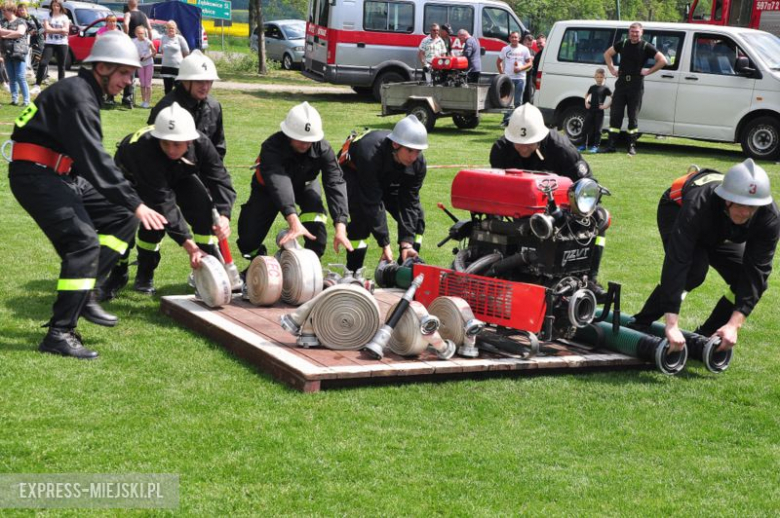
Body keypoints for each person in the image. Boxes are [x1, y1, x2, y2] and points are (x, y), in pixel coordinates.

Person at [8, 31, 166, 359]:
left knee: (120, 217)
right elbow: (95, 159)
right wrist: (136, 202)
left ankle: (88, 289)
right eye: (124, 72)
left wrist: (128, 206)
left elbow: (84, 158)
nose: (128, 80)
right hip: (36, 175)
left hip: (61, 173)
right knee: (83, 244)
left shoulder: (83, 92)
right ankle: (59, 333)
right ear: (103, 67)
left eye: (131, 74)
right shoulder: (79, 97)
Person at [632, 159, 779, 354]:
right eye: (742, 205)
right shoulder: (698, 206)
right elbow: (677, 261)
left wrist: (734, 325)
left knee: (744, 276)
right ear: (728, 198)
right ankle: (640, 322)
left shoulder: (768, 217)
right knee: (694, 271)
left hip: (720, 226)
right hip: (676, 207)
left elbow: (757, 273)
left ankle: (708, 333)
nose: (745, 212)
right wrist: (671, 324)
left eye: (752, 207)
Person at [109, 103, 236, 296]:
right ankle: (122, 273)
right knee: (137, 227)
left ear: (190, 141)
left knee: (203, 210)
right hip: (130, 179)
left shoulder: (202, 144)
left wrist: (225, 215)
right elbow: (162, 202)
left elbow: (220, 179)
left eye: (177, 144)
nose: (171, 149)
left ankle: (208, 272)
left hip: (176, 174)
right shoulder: (145, 150)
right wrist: (189, 246)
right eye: (165, 143)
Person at [490, 104, 608, 292]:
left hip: (561, 210)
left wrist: (573, 211)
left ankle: (589, 277)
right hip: (519, 207)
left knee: (600, 217)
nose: (522, 147)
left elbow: (587, 187)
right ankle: (499, 265)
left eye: (529, 143)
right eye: (518, 142)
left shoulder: (561, 150)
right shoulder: (501, 150)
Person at [236, 102, 351, 271]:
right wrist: (293, 219)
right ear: (288, 133)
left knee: (316, 219)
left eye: (309, 140)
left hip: (305, 186)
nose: (305, 144)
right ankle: (261, 264)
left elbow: (335, 182)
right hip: (267, 190)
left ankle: (309, 268)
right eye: (300, 139)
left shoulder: (323, 149)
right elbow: (279, 183)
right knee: (247, 242)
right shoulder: (271, 147)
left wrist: (341, 225)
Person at [338, 115, 428, 273]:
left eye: (418, 151)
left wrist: (406, 242)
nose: (414, 157)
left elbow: (409, 202)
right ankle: (353, 273)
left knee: (418, 217)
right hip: (356, 173)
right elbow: (373, 202)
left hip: (386, 176)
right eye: (410, 150)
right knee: (362, 218)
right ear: (395, 144)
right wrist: (384, 244)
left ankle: (405, 266)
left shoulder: (418, 164)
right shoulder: (370, 152)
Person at [602, 22, 667, 155]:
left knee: (633, 117)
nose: (634, 34)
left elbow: (662, 60)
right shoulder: (623, 43)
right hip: (621, 84)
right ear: (629, 32)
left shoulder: (645, 46)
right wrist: (611, 69)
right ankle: (611, 145)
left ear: (641, 33)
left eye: (637, 32)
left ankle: (631, 146)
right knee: (615, 115)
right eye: (632, 31)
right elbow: (607, 54)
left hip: (636, 86)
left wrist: (648, 72)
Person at [149, 50, 224, 160]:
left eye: (209, 81)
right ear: (185, 81)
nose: (205, 87)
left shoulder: (214, 106)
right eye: (200, 81)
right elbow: (153, 151)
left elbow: (219, 147)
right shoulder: (165, 109)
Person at [32, 0, 68, 96]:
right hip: (50, 43)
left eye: (57, 6)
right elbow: (47, 29)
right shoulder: (47, 16)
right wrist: (60, 30)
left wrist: (53, 30)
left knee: (61, 66)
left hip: (62, 43)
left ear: (60, 7)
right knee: (43, 63)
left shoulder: (64, 17)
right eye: (54, 5)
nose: (55, 7)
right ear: (51, 6)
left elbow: (67, 31)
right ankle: (37, 86)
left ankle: (61, 87)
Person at [496, 31, 531, 126]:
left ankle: (517, 121)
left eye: (516, 37)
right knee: (507, 100)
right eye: (512, 37)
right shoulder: (505, 49)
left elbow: (529, 63)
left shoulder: (524, 49)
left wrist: (521, 68)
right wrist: (502, 74)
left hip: (520, 78)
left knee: (518, 101)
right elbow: (498, 61)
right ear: (509, 38)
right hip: (508, 78)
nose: (514, 39)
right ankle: (506, 120)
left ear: (519, 39)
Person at [121, 0, 151, 109]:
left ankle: (128, 97)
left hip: (132, 44)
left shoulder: (128, 14)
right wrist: (149, 42)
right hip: (143, 46)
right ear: (137, 4)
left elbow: (125, 24)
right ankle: (130, 97)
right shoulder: (143, 15)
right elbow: (150, 28)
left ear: (129, 5)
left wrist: (126, 36)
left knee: (130, 71)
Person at [0, 2, 29, 106]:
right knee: (11, 78)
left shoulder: (21, 21)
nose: (3, 12)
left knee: (20, 76)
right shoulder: (2, 21)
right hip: (6, 52)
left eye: (4, 10)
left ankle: (26, 101)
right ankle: (15, 99)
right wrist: (12, 33)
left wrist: (6, 35)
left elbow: (20, 33)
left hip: (19, 51)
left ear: (10, 10)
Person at [579, 68, 612, 153]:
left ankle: (595, 147)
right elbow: (587, 95)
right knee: (585, 128)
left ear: (605, 78)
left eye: (601, 77)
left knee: (598, 130)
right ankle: (583, 145)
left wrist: (606, 106)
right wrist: (586, 103)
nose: (599, 79)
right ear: (594, 77)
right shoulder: (592, 87)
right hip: (590, 110)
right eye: (597, 77)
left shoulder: (605, 88)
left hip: (599, 112)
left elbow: (613, 97)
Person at [159, 19, 189, 94]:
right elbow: (161, 50)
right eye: (169, 28)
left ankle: (180, 103)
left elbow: (186, 52)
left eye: (172, 28)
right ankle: (168, 104)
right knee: (167, 88)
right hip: (166, 66)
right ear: (166, 29)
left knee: (179, 87)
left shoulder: (180, 38)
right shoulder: (163, 38)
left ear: (175, 29)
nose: (170, 30)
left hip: (177, 67)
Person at [16, 3, 42, 80]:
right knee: (27, 58)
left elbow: (41, 29)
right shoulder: (19, 19)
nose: (21, 11)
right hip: (26, 41)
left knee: (37, 60)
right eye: (19, 10)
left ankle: (43, 77)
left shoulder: (33, 18)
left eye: (22, 9)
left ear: (26, 10)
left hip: (37, 40)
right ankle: (25, 74)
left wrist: (35, 32)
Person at [133, 25, 155, 108]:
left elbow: (154, 52)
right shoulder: (134, 41)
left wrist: (146, 57)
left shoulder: (148, 41)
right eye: (139, 33)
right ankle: (143, 101)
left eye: (142, 33)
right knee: (142, 83)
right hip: (140, 64)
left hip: (148, 63)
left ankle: (147, 101)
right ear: (136, 34)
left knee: (148, 84)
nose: (141, 35)